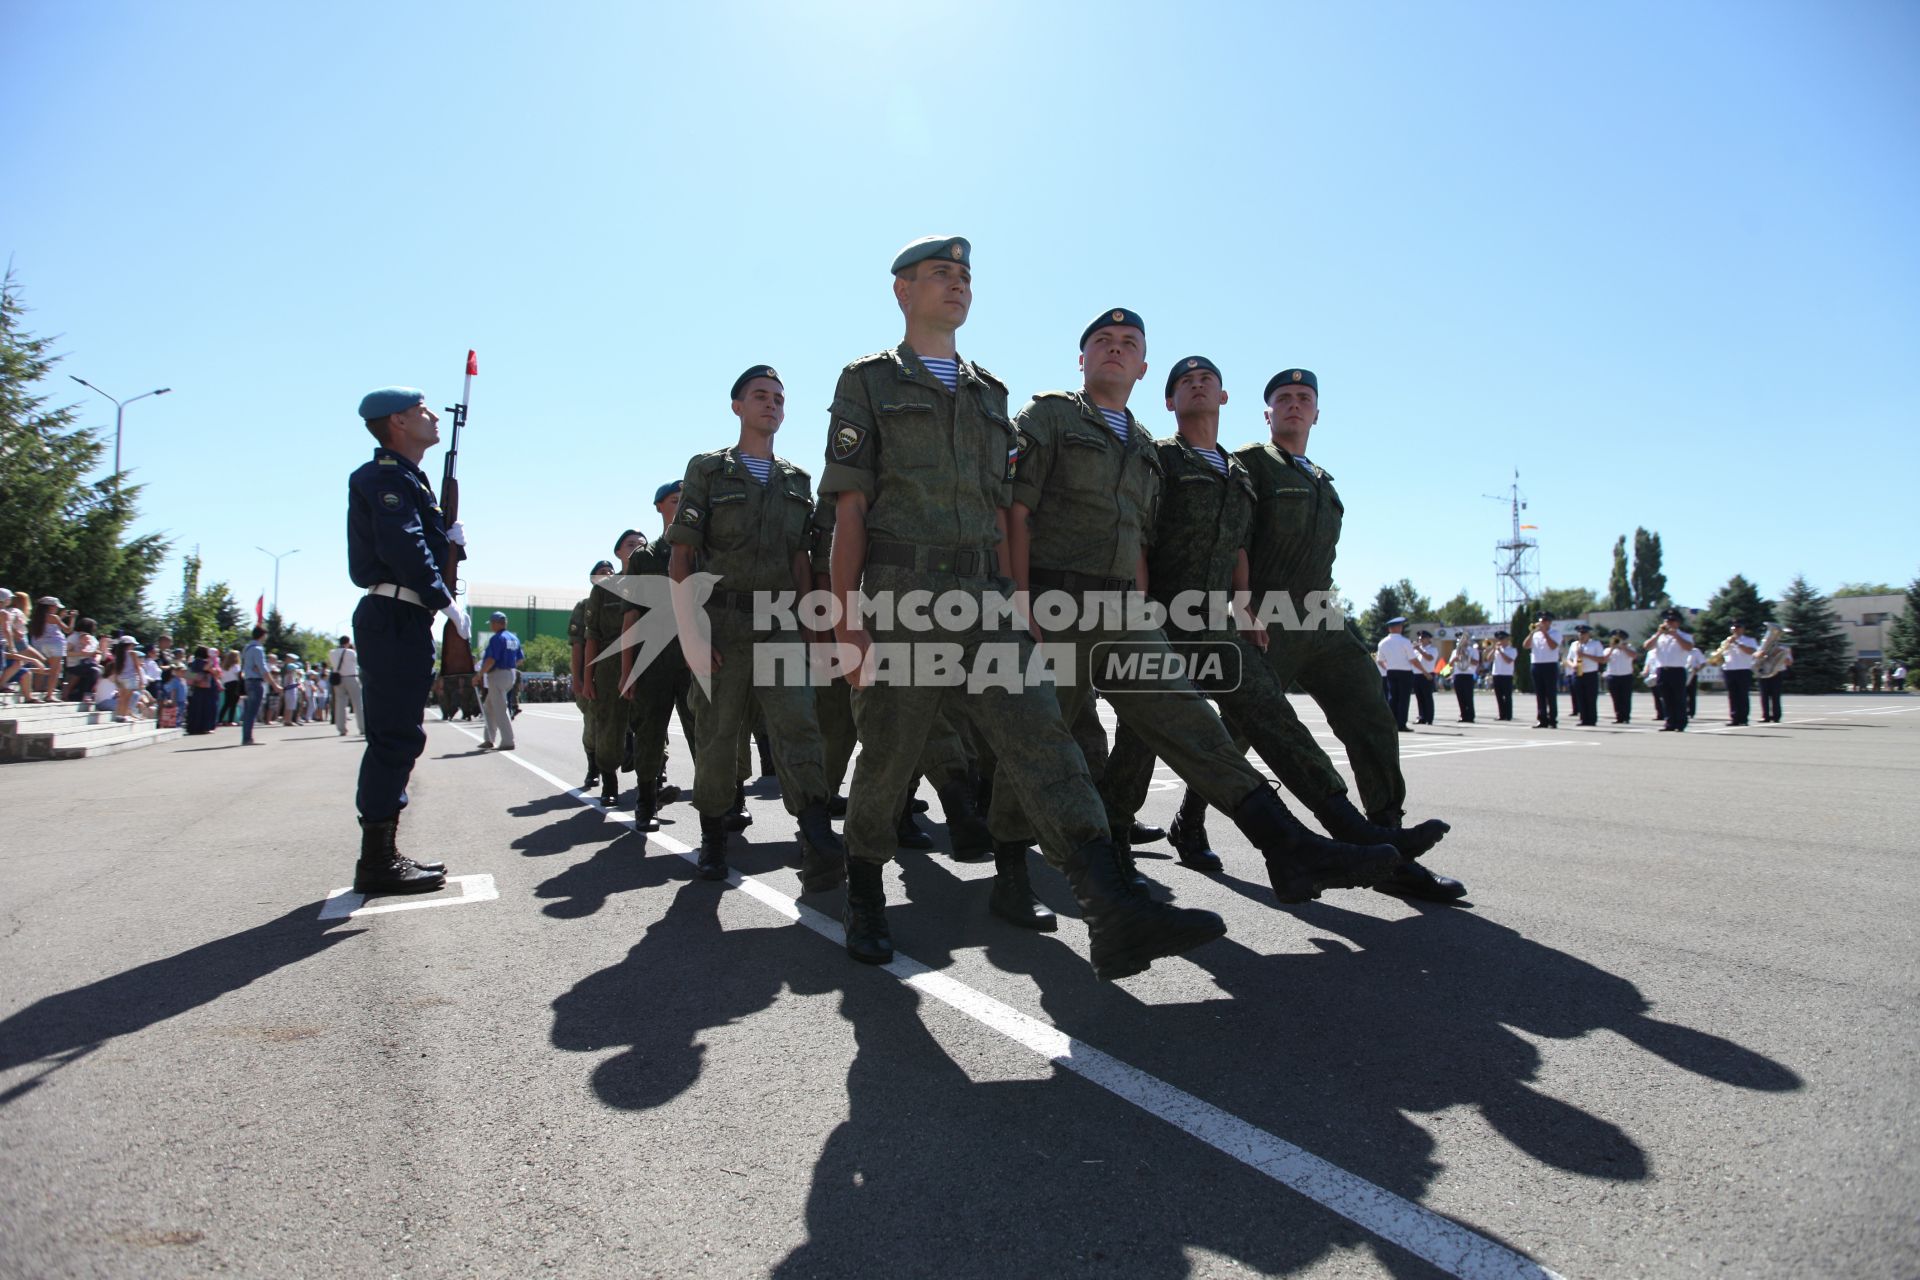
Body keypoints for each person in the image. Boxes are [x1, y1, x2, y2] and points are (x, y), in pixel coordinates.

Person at [821, 236, 1235, 978]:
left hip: (987, 597)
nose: (957, 285)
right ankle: (864, 892)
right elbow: (850, 509)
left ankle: (1109, 905)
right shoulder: (868, 382)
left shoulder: (991, 394)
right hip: (903, 598)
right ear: (903, 292)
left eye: (964, 276)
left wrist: (1015, 602)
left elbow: (1004, 509)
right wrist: (846, 622)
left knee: (1044, 739)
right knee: (889, 753)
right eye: (941, 275)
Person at [1099, 356, 1450, 894]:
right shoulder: (1222, 460)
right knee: (1169, 734)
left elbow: (1236, 542)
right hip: (1202, 611)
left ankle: (1372, 837)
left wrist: (1239, 607)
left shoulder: (1288, 478)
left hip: (1285, 615)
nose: (1294, 404)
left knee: (1335, 715)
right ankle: (1120, 843)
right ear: (1263, 413)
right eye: (1283, 398)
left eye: (1303, 398)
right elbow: (1143, 531)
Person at [666, 365, 846, 883]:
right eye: (760, 396)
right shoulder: (708, 470)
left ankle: (815, 834)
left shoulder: (796, 480)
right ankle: (713, 835)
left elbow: (799, 559)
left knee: (799, 728)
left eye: (778, 399)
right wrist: (691, 634)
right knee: (719, 734)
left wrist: (813, 630)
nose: (771, 405)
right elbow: (683, 556)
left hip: (781, 622)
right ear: (737, 407)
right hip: (721, 620)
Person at [347, 385, 459, 895]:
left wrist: (447, 542)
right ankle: (377, 860)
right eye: (421, 410)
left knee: (402, 736)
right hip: (394, 612)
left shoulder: (411, 479)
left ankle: (383, 852)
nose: (433, 416)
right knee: (394, 738)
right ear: (396, 421)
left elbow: (419, 540)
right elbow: (402, 542)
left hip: (404, 616)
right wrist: (444, 596)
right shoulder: (383, 477)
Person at [583, 530, 645, 808]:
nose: (636, 549)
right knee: (609, 725)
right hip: (610, 663)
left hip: (647, 658)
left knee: (649, 724)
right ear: (618, 551)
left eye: (642, 545)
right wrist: (587, 679)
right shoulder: (604, 589)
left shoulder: (655, 584)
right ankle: (609, 782)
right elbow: (592, 637)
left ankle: (651, 785)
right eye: (630, 545)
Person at [569, 561, 613, 791]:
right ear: (592, 578)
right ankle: (593, 768)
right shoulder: (584, 606)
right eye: (602, 572)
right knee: (594, 725)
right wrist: (578, 679)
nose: (607, 575)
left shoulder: (622, 602)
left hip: (616, 672)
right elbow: (578, 647)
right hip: (593, 675)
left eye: (610, 572)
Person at [1642, 607, 1695, 731]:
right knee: (1666, 698)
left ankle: (1681, 723)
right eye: (1667, 621)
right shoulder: (1659, 637)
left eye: (1672, 621)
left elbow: (1688, 647)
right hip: (1662, 670)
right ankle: (1670, 723)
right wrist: (1658, 634)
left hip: (1677, 670)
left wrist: (1675, 635)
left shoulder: (1684, 636)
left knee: (1679, 698)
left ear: (1678, 623)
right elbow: (1646, 646)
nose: (1669, 623)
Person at [476, 610, 520, 751]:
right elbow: (520, 658)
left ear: (496, 623)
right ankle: (489, 739)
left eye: (492, 623)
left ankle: (508, 741)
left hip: (497, 675)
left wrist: (479, 675)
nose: (491, 626)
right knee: (489, 707)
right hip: (509, 674)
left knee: (500, 709)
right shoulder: (513, 638)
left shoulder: (497, 638)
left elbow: (490, 659)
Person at [1375, 618, 1417, 731]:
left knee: (1392, 698)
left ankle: (1391, 724)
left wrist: (1388, 668)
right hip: (1405, 672)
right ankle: (1401, 724)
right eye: (1400, 626)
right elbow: (1413, 659)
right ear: (1397, 628)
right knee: (1403, 699)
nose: (1401, 628)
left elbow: (1380, 660)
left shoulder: (1382, 642)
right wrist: (1425, 672)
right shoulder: (1404, 641)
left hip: (1391, 672)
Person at [1719, 619, 1759, 726]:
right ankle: (1734, 718)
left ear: (1742, 629)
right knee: (1732, 695)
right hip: (1729, 670)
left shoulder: (1749, 640)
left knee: (1742, 695)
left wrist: (1736, 643)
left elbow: (1751, 651)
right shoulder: (1726, 641)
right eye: (1733, 628)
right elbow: (1721, 655)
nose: (1735, 629)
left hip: (1743, 669)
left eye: (1738, 627)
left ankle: (1743, 718)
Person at [1526, 610, 1560, 727]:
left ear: (1549, 622)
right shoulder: (1535, 634)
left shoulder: (1555, 633)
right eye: (1540, 621)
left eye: (1544, 621)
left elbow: (1553, 646)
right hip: (1537, 664)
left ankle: (1553, 720)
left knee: (1550, 694)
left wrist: (1545, 633)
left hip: (1550, 665)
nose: (1541, 623)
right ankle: (1542, 719)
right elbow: (1525, 645)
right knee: (1540, 694)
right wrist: (1531, 633)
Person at [1570, 623, 1603, 726]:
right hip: (1578, 673)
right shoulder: (1574, 645)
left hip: (1590, 674)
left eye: (1584, 633)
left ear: (1588, 634)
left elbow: (1601, 659)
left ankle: (1592, 719)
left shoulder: (1596, 644)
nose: (1581, 635)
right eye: (1580, 633)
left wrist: (1585, 655)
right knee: (1580, 697)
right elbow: (1569, 659)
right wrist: (1573, 665)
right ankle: (1583, 719)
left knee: (1591, 698)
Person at [185, 645, 221, 734]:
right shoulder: (201, 662)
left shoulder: (193, 662)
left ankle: (195, 727)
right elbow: (208, 669)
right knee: (206, 708)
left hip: (197, 688)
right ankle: (205, 727)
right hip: (205, 689)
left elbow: (189, 675)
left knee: (196, 708)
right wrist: (212, 661)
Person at [1603, 629, 1637, 723]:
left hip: (1626, 676)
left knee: (1626, 698)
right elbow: (1604, 660)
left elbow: (1634, 656)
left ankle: (1626, 717)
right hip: (1613, 676)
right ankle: (1619, 717)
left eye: (1620, 638)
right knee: (1616, 698)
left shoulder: (1629, 647)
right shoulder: (1608, 650)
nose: (1618, 640)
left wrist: (1624, 648)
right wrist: (1612, 648)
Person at [1411, 629, 1439, 724]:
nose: (1420, 640)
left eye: (1423, 638)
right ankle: (1421, 717)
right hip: (1416, 675)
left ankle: (1429, 718)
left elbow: (1429, 658)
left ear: (1428, 639)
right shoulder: (1415, 651)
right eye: (1420, 638)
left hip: (1427, 675)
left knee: (1427, 697)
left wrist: (1419, 650)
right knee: (1419, 697)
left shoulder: (1433, 649)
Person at [1488, 629, 1517, 720]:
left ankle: (1508, 715)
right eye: (1499, 639)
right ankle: (1501, 714)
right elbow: (1489, 659)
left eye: (1502, 639)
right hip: (1497, 674)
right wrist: (1493, 649)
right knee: (1499, 696)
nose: (1500, 641)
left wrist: (1500, 652)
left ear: (1507, 639)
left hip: (1507, 675)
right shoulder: (1496, 650)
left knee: (1507, 696)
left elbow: (1509, 661)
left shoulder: (1512, 650)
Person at [1450, 636, 1478, 723]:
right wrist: (1455, 659)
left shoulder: (1473, 650)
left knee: (1468, 697)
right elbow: (1450, 664)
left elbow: (1476, 662)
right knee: (1460, 697)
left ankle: (1470, 716)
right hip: (1458, 675)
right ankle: (1463, 715)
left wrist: (1466, 656)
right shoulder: (1455, 651)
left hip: (1468, 675)